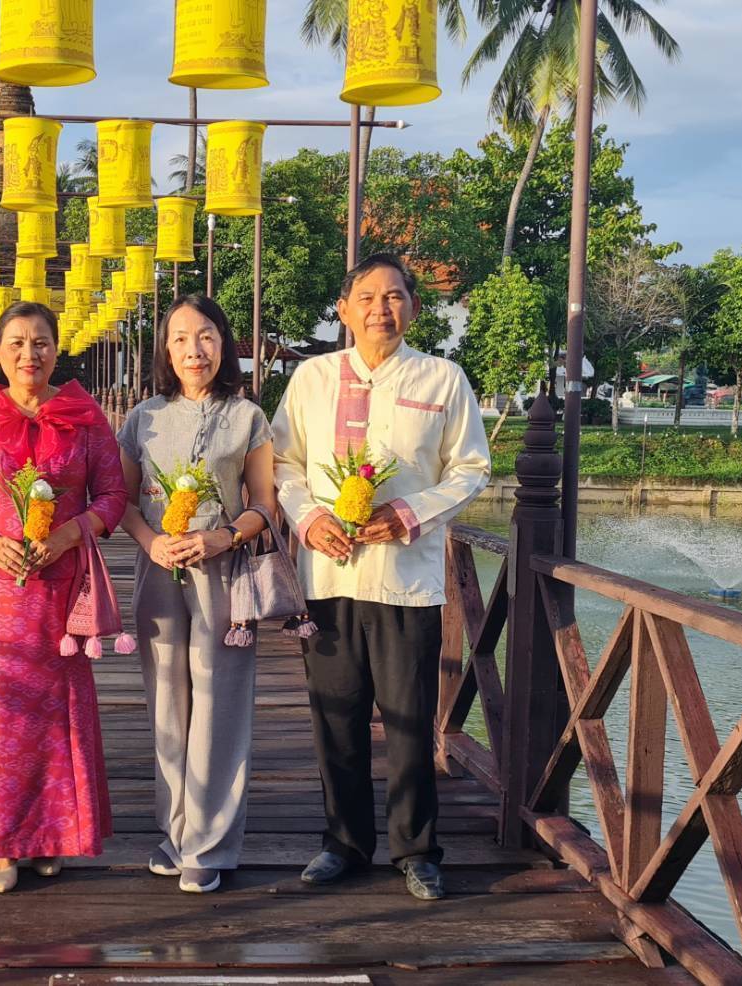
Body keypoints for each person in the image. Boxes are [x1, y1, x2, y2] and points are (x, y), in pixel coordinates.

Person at [269, 253, 491, 901]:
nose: (380, 310)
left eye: (394, 297)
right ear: (343, 310)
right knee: (334, 718)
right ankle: (344, 842)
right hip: (328, 580)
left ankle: (416, 850)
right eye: (366, 298)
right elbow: (282, 462)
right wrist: (306, 517)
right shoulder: (312, 378)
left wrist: (409, 513)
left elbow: (471, 468)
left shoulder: (441, 378)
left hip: (406, 580)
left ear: (413, 308)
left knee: (409, 719)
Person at [0, 301, 129, 893]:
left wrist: (70, 534)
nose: (28, 354)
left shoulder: (84, 417)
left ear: (57, 349)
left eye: (40, 342)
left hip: (59, 593)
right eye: (15, 342)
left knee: (55, 718)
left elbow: (113, 494)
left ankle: (52, 836)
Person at [117, 295, 276, 894]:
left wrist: (222, 535)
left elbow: (265, 504)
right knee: (167, 701)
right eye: (181, 338)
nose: (194, 350)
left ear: (224, 343)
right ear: (165, 348)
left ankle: (209, 843)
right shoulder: (144, 418)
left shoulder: (248, 417)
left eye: (206, 336)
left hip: (224, 573)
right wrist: (151, 541)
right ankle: (175, 830)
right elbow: (125, 503)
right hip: (158, 571)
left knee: (219, 703)